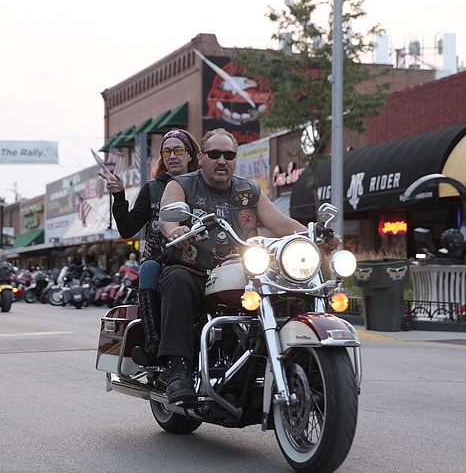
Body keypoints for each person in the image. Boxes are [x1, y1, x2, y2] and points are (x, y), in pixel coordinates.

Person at [157, 128, 324, 404]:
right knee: (176, 280)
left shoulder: (249, 191)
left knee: (294, 286)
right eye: (214, 154)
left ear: (236, 159)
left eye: (229, 155)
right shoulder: (182, 185)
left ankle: (303, 363)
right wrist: (174, 229)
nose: (221, 160)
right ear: (201, 158)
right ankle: (179, 370)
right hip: (195, 271)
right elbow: (168, 214)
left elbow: (282, 224)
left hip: (242, 272)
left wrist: (316, 235)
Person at [98, 128, 200, 365]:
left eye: (178, 150)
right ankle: (153, 342)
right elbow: (127, 229)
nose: (172, 156)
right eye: (166, 152)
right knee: (148, 268)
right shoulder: (152, 188)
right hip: (161, 262)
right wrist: (119, 195)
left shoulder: (202, 186)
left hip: (198, 260)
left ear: (190, 155)